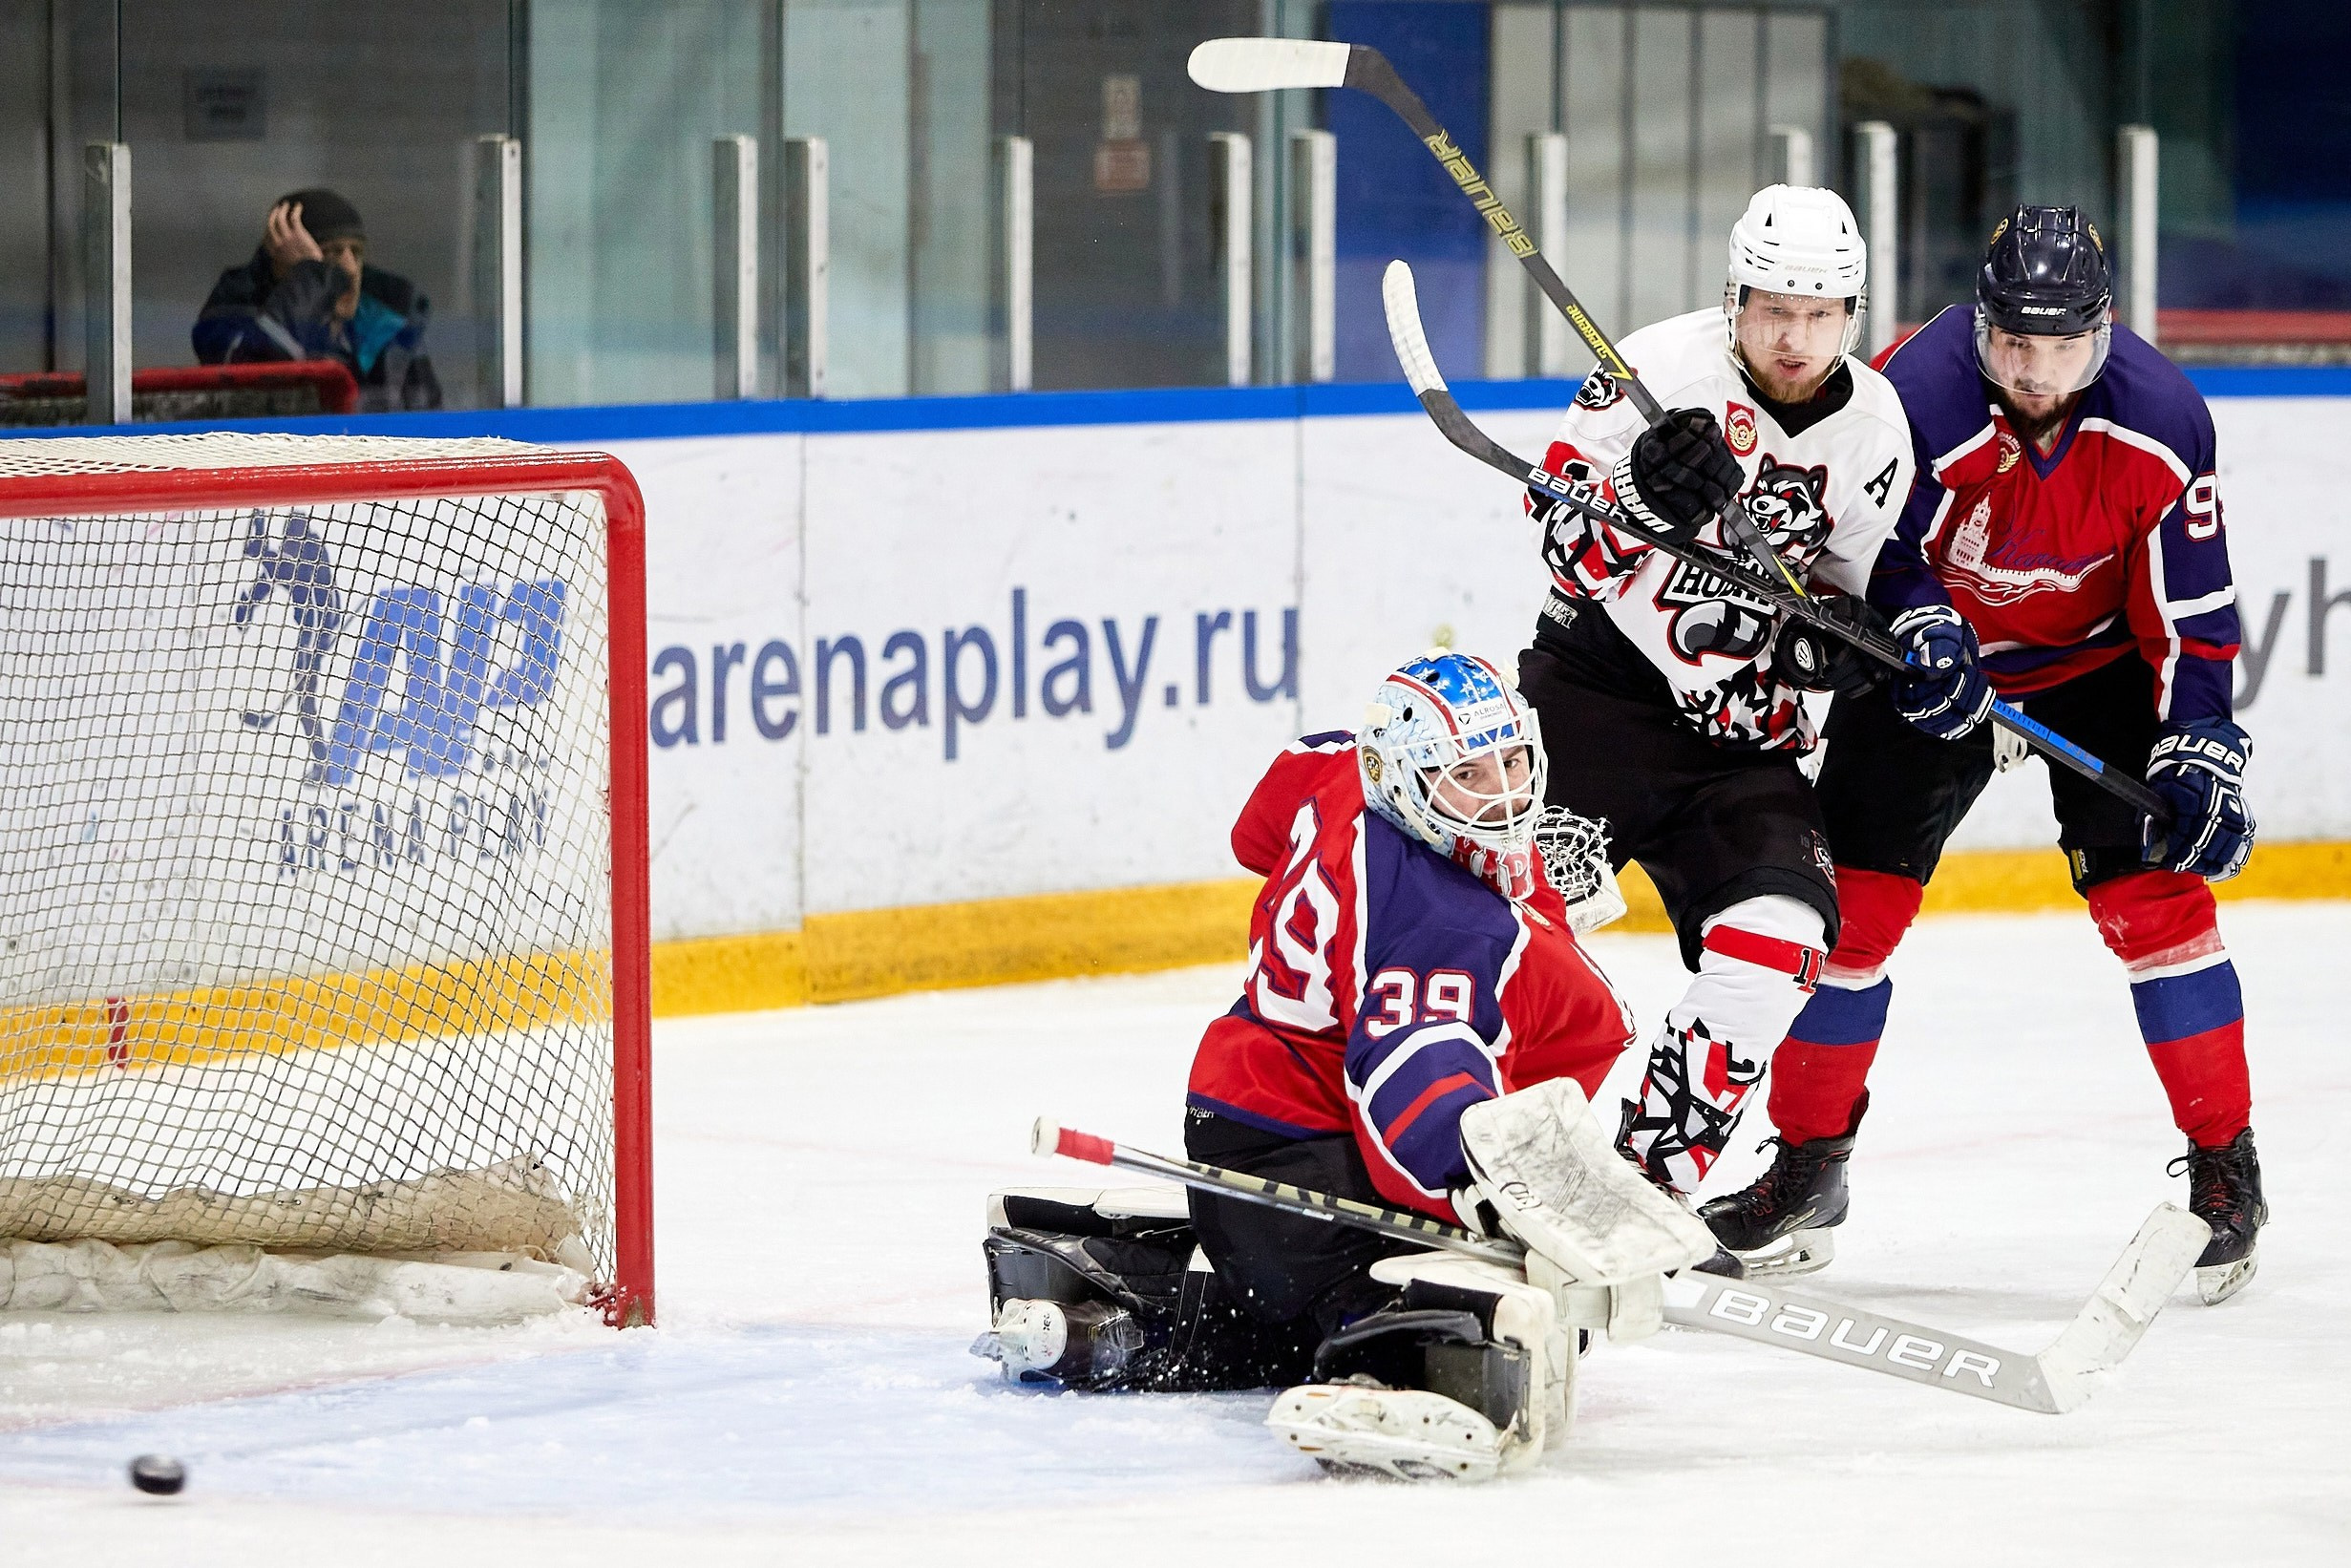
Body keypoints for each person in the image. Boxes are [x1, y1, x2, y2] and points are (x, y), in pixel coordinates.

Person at [1701, 206, 2265, 1303]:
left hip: (2094, 670)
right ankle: (1810, 1165)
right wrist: (1893, 629)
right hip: (1929, 664)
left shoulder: (2162, 419)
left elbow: (2190, 607)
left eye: (2059, 347)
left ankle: (2224, 1167)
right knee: (1845, 914)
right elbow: (1861, 547)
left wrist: (2197, 736)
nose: (2035, 370)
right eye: (2013, 344)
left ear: (2101, 331)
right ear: (1979, 328)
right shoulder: (1911, 397)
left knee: (2156, 906)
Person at [973, 650, 1716, 1481]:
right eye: (1467, 773)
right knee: (1465, 1279)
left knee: (1293, 1299)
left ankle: (1121, 1310)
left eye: (1512, 760)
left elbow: (1258, 823)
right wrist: (1487, 1188)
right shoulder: (1449, 921)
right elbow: (1412, 1074)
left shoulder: (1339, 769)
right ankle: (1393, 1373)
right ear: (1402, 775)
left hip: (1243, 1119)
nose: (1504, 795)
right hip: (1305, 1157)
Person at [1516, 184, 1934, 1202]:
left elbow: (1835, 598)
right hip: (1592, 706)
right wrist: (1634, 497)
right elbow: (1557, 546)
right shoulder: (1654, 371)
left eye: (1819, 314)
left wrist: (1828, 652)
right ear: (1733, 298)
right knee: (1509, 947)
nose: (1793, 338)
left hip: (1742, 743)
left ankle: (1640, 1191)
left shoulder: (1875, 431)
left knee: (1780, 947)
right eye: (1772, 310)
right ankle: (1467, 1159)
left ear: (1851, 314)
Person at [193, 189, 443, 413]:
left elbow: (430, 423)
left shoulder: (387, 323)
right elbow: (254, 380)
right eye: (330, 253)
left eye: (356, 253)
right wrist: (310, 275)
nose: (351, 270)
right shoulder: (232, 313)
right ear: (284, 267)